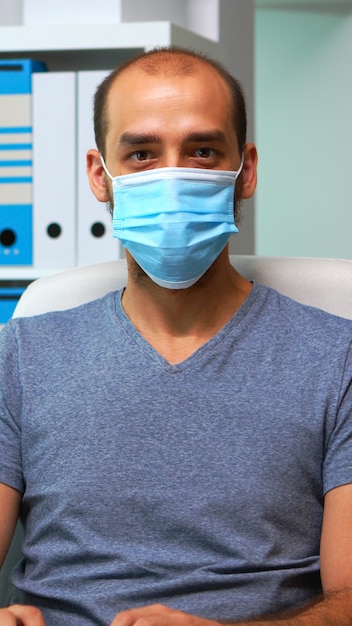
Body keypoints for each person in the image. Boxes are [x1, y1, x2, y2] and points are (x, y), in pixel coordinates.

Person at [0, 45, 352, 626]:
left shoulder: (339, 360)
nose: (170, 178)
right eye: (141, 153)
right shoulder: (20, 358)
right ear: (99, 175)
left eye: (202, 151)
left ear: (247, 170)